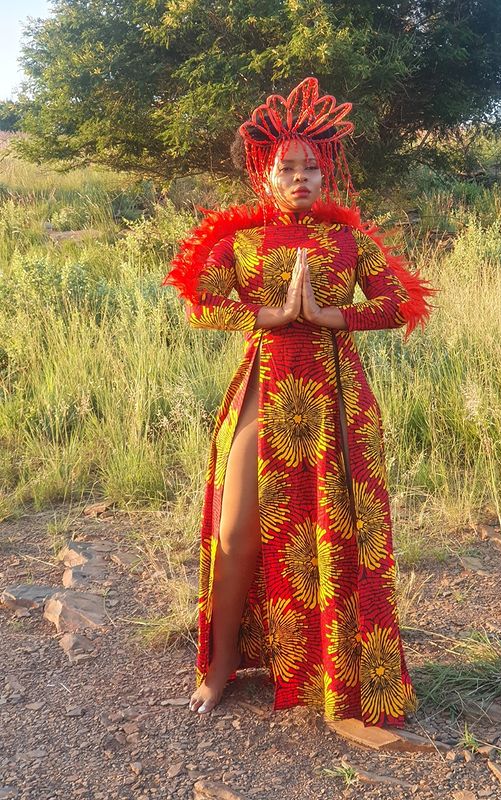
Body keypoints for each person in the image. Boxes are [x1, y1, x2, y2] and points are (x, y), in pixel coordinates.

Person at [162, 76, 438, 729]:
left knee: (335, 535)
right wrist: (271, 315)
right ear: (264, 174)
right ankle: (220, 665)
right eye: (287, 168)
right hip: (266, 384)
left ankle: (340, 671)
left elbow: (401, 303)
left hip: (336, 396)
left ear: (327, 173)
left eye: (312, 168)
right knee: (235, 532)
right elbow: (201, 302)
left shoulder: (350, 241)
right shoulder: (240, 241)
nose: (300, 179)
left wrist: (328, 316)